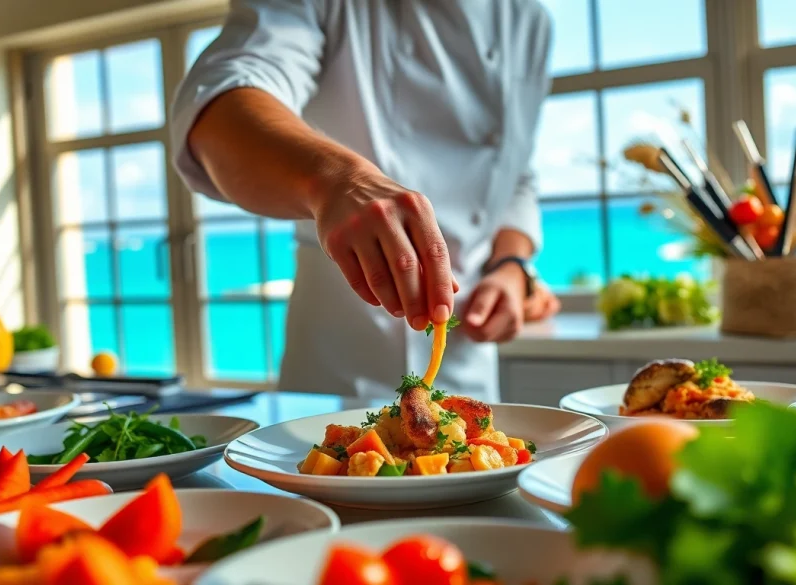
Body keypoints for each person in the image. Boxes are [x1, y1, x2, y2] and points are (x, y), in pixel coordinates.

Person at [171, 0, 560, 402]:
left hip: (467, 361)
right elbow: (218, 110)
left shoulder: (530, 22)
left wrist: (511, 265)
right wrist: (338, 180)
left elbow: (517, 174)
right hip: (338, 362)